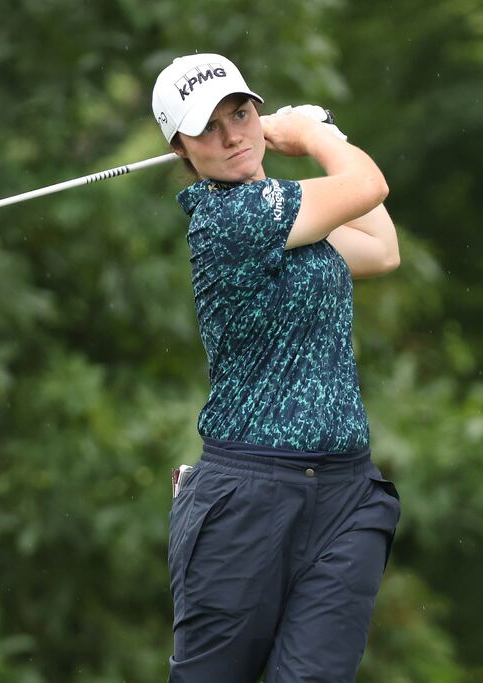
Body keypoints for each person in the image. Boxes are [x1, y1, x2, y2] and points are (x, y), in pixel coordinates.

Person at [152, 53, 402, 683]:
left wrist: (328, 139)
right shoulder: (229, 220)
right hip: (246, 496)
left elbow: (380, 247)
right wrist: (314, 135)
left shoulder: (289, 213)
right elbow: (368, 186)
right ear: (181, 148)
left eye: (241, 113)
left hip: (346, 496)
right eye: (207, 128)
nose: (233, 136)